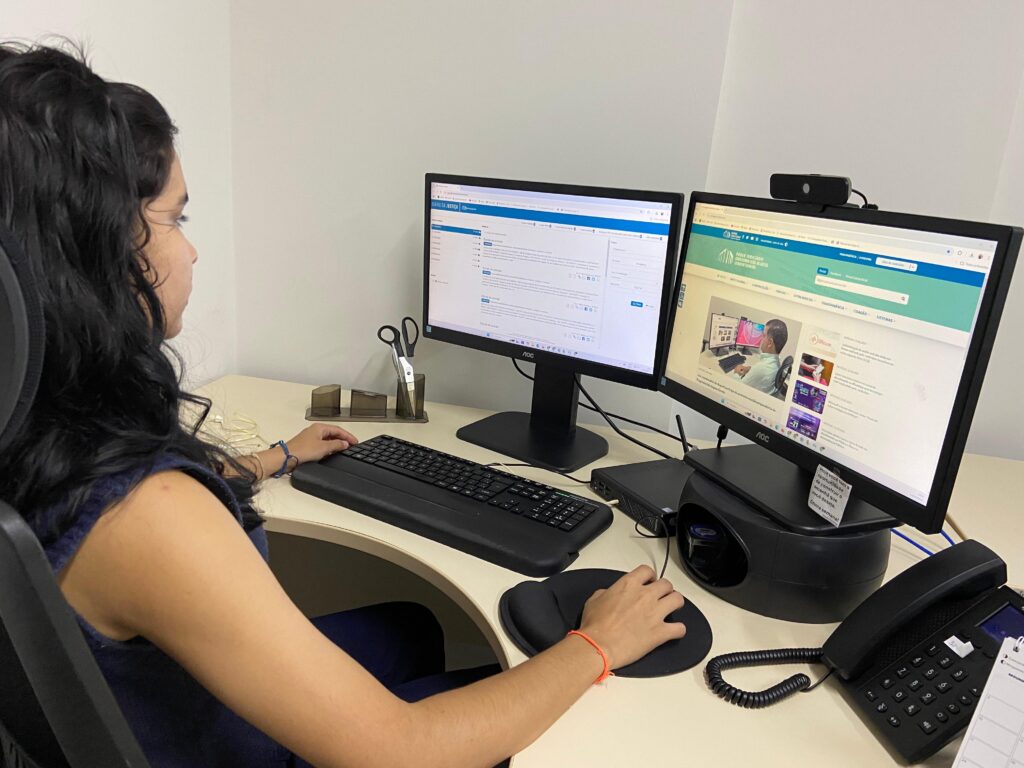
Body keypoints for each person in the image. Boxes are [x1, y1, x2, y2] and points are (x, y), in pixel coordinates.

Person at [0, 42, 686, 768]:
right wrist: (596, 643)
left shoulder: (38, 423)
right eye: (175, 220)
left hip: (171, 713)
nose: (192, 254)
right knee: (529, 705)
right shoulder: (148, 516)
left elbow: (128, 516)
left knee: (415, 626)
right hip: (235, 749)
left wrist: (276, 457)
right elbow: (400, 751)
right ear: (98, 250)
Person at [734, 318, 788, 393]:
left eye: (763, 335)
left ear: (770, 343)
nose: (760, 338)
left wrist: (737, 372)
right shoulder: (777, 361)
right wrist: (750, 369)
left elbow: (736, 388)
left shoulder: (761, 368)